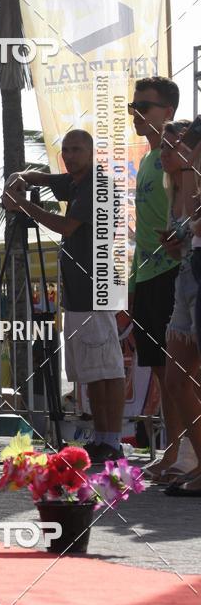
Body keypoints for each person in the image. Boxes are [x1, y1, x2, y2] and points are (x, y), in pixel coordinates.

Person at [4, 130, 126, 462]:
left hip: (97, 287)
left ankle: (112, 441)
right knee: (92, 371)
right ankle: (103, 439)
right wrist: (18, 177)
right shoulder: (73, 182)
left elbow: (68, 227)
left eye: (76, 150)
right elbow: (38, 177)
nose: (69, 156)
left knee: (107, 368)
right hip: (78, 290)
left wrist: (24, 206)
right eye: (65, 150)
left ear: (92, 152)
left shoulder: (97, 184)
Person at [128, 77, 180, 480]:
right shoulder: (147, 159)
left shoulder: (178, 155)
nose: (138, 114)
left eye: (147, 106)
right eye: (134, 107)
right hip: (145, 275)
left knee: (180, 369)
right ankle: (177, 449)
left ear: (170, 112)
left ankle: (186, 451)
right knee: (162, 372)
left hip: (174, 271)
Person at [158, 122, 201, 495]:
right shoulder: (172, 188)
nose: (164, 151)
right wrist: (174, 244)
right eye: (161, 145)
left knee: (185, 377)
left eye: (172, 144)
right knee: (175, 380)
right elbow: (184, 245)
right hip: (185, 282)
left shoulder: (194, 177)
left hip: (198, 282)